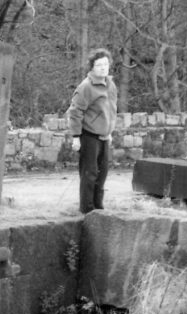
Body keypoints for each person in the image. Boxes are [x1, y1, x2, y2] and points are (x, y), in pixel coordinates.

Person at [67, 48, 117, 214]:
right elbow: (75, 112)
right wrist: (76, 137)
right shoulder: (86, 87)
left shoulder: (111, 85)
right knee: (89, 174)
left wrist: (110, 131)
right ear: (92, 67)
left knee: (102, 174)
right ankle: (87, 210)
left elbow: (111, 110)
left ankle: (98, 208)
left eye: (105, 64)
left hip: (104, 136)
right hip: (89, 136)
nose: (103, 68)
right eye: (99, 65)